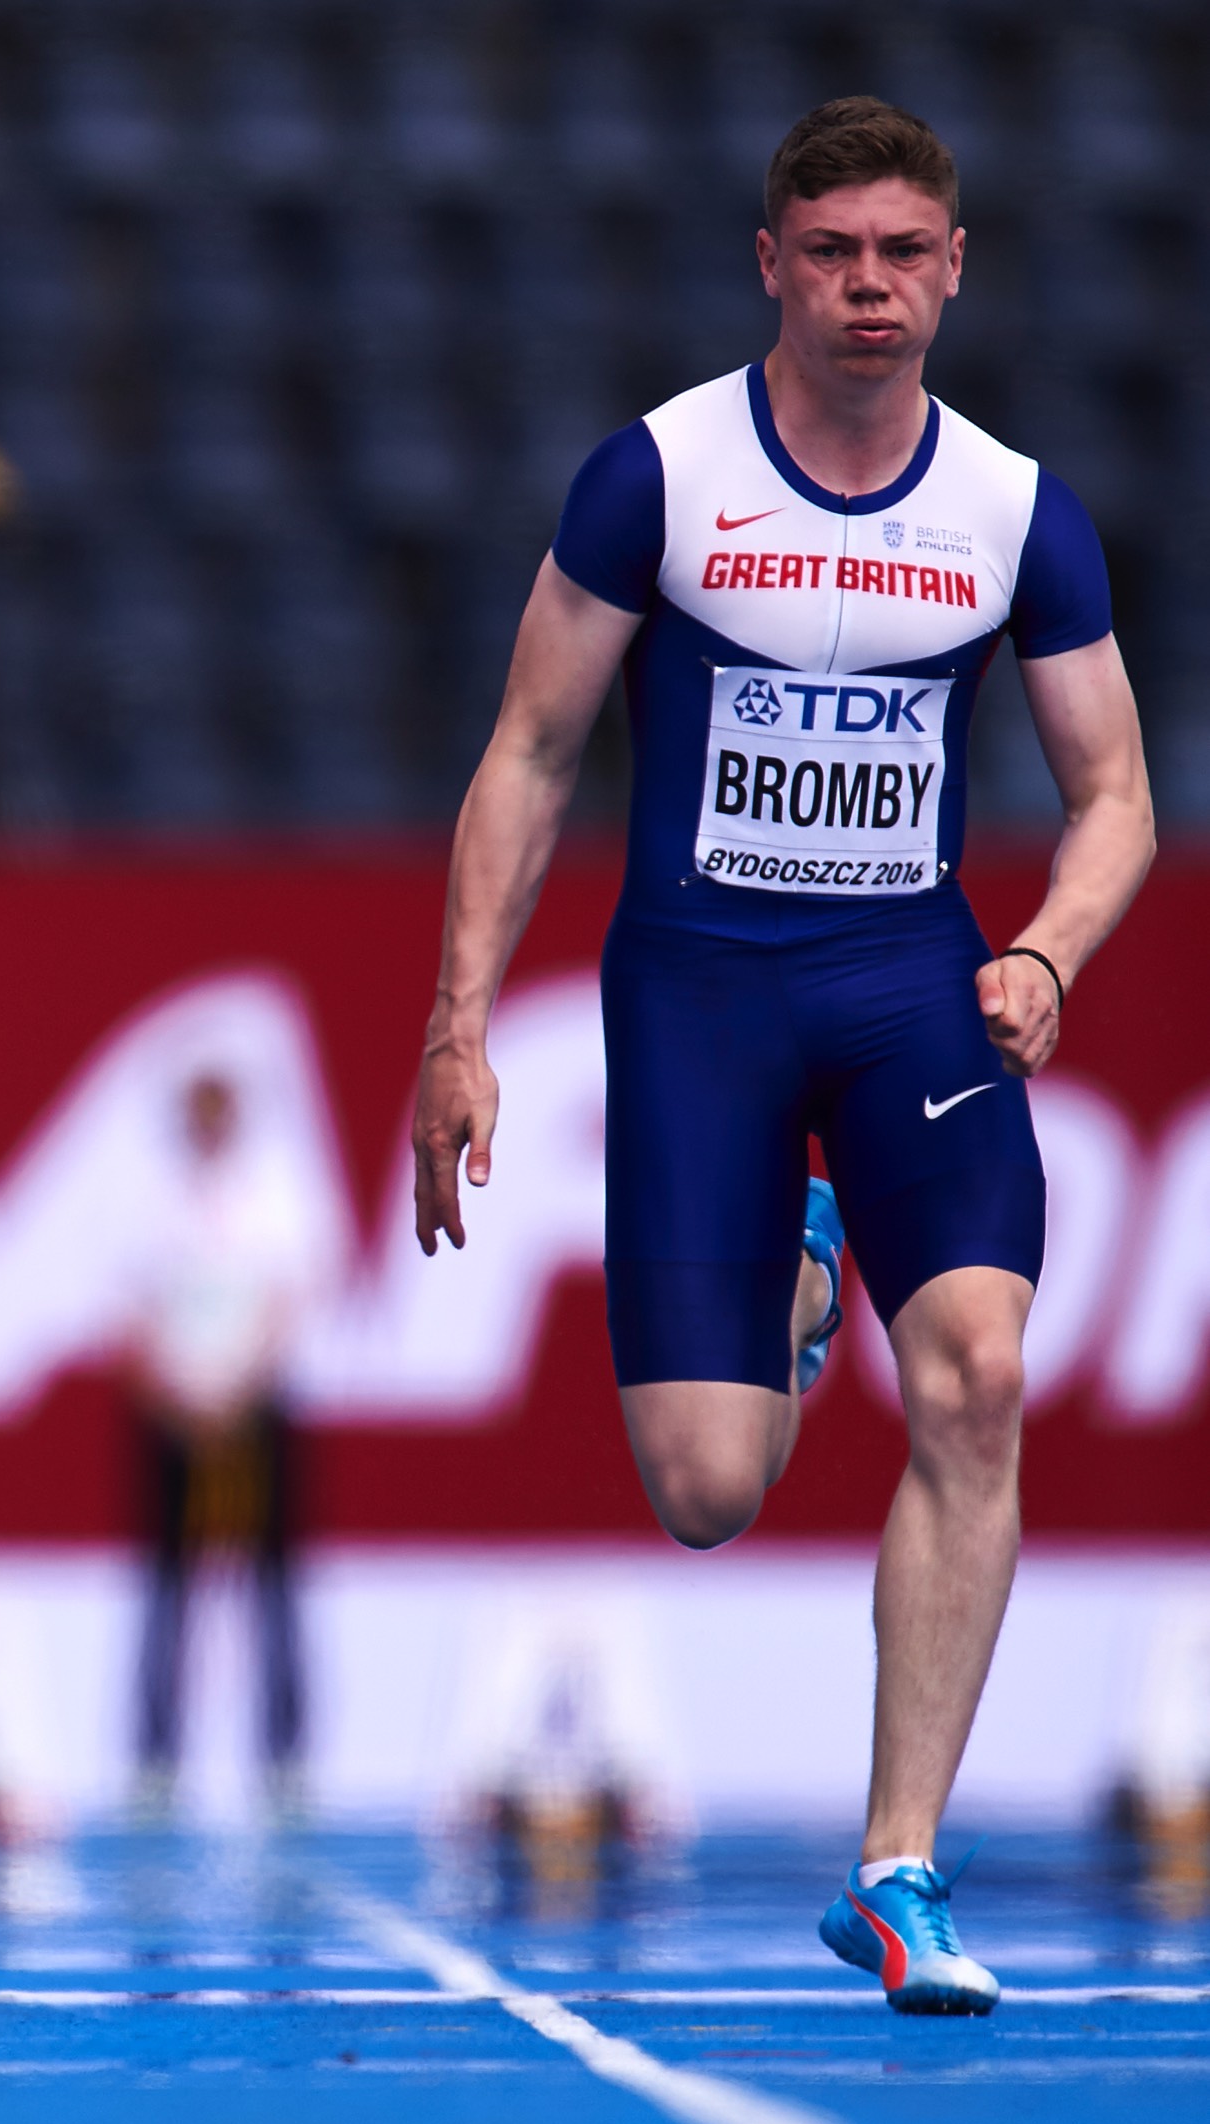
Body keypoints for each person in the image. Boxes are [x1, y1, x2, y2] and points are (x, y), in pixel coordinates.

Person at [412, 98, 1152, 2013]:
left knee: (977, 1375)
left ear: (955, 266)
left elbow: (1115, 798)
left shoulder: (1008, 509)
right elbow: (529, 753)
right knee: (705, 1483)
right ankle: (799, 1275)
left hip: (915, 992)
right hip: (700, 997)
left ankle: (896, 1865)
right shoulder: (653, 479)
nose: (868, 288)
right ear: (770, 263)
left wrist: (1051, 951)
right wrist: (457, 1025)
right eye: (831, 252)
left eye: (903, 252)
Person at [116, 1070, 317, 1818]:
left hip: (255, 1410)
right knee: (166, 1586)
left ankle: (284, 1759)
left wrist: (237, 1393)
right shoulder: (154, 1198)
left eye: (216, 1110)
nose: (206, 1124)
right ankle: (155, 1760)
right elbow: (131, 1310)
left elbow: (288, 1298)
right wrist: (175, 1397)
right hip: (172, 1414)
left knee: (273, 1584)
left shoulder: (273, 1191)